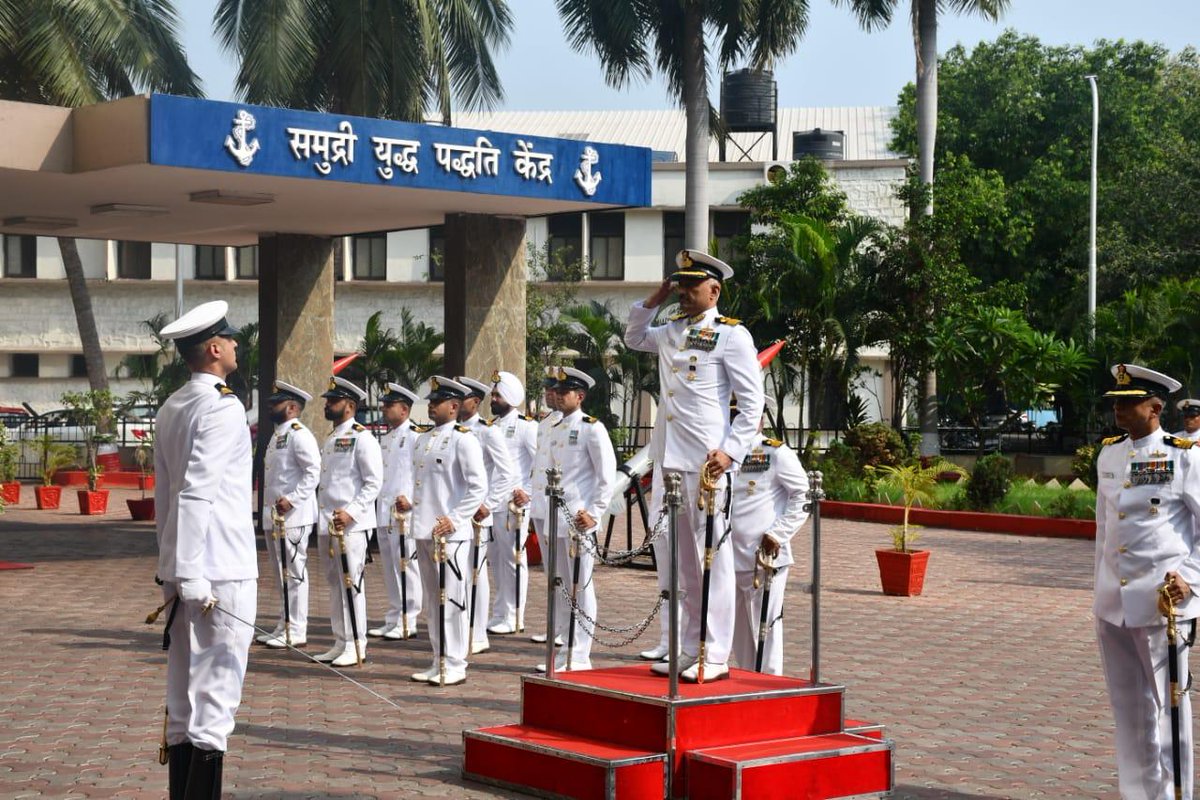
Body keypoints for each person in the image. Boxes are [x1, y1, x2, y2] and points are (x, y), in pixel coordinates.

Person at [625, 249, 764, 683]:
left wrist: (730, 451)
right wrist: (655, 298)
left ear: (714, 291)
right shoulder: (670, 330)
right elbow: (633, 337)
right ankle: (688, 647)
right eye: (679, 285)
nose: (683, 293)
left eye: (691, 286)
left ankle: (716, 652)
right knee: (680, 561)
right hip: (670, 460)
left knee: (713, 560)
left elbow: (752, 403)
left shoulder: (731, 335)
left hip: (707, 466)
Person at [155, 300, 256, 798]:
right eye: (230, 339)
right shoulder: (222, 405)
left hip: (185, 570)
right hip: (220, 571)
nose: (236, 345)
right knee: (214, 705)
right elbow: (196, 493)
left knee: (183, 704)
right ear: (214, 348)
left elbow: (164, 497)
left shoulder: (173, 405)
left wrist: (174, 568)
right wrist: (193, 574)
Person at [1095, 363, 1200, 799]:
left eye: (1129, 402)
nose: (1118, 410)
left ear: (1155, 408)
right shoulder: (1109, 454)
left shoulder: (1185, 456)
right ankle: (1139, 794)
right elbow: (1105, 529)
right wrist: (1100, 590)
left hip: (1163, 604)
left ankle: (1176, 794)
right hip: (1113, 604)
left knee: (1169, 710)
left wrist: (1191, 579)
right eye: (1116, 402)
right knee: (1129, 709)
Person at [396, 377, 487, 686]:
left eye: (437, 402)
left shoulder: (464, 439)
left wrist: (456, 518)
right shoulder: (423, 439)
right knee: (433, 600)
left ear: (454, 406)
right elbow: (420, 483)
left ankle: (456, 662)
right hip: (425, 530)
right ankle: (438, 658)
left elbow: (478, 487)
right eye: (431, 401)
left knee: (453, 599)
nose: (431, 406)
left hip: (450, 535)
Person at [539, 367, 616, 672]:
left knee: (580, 586)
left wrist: (594, 512)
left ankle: (581, 653)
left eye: (564, 392)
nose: (557, 396)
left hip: (578, 519)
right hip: (555, 517)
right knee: (560, 585)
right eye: (556, 391)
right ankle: (565, 646)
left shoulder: (591, 428)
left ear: (580, 396)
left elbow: (606, 475)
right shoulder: (555, 427)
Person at [729, 419, 809, 676]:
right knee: (738, 630)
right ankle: (746, 680)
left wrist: (779, 533)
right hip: (728, 555)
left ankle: (770, 682)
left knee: (766, 628)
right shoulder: (723, 451)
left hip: (763, 557)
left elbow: (803, 495)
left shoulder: (774, 452)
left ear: (759, 419)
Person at [314, 377, 382, 667]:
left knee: (351, 583)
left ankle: (357, 643)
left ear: (350, 406)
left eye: (334, 400)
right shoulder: (332, 438)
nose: (328, 405)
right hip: (329, 522)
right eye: (328, 400)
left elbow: (373, 482)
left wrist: (351, 512)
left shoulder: (362, 438)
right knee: (334, 584)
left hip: (351, 525)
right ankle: (341, 641)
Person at [257, 381, 321, 649]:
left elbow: (313, 472)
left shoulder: (299, 434)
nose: (271, 407)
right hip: (275, 515)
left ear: (292, 408)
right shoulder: (278, 435)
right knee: (280, 572)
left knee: (293, 573)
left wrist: (292, 500)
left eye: (277, 403)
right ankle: (284, 624)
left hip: (293, 516)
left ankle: (296, 629)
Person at [456, 375, 517, 654]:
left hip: (477, 514)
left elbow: (506, 472)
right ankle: (460, 627)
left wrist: (489, 504)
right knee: (457, 574)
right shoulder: (452, 431)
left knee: (475, 573)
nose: (457, 403)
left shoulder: (487, 431)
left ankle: (478, 632)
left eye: (462, 398)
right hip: (455, 513)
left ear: (475, 402)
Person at [367, 383, 427, 641]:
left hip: (404, 514)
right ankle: (394, 615)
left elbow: (422, 473)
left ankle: (408, 619)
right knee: (391, 567)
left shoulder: (415, 436)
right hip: (385, 510)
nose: (383, 409)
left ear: (404, 409)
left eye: (389, 405)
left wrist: (412, 500)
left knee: (407, 567)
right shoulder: (388, 437)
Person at [486, 370, 538, 635]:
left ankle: (516, 615)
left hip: (513, 506)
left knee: (514, 560)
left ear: (511, 397)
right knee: (496, 560)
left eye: (498, 395)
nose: (493, 399)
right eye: (493, 394)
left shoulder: (526, 427)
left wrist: (528, 491)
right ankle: (500, 612)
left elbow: (541, 463)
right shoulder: (491, 426)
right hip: (493, 503)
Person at [528, 367, 565, 647]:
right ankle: (556, 625)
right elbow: (537, 467)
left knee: (566, 573)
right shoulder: (545, 423)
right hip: (542, 506)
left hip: (563, 509)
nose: (550, 395)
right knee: (551, 572)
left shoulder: (581, 425)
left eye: (555, 390)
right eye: (548, 390)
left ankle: (568, 628)